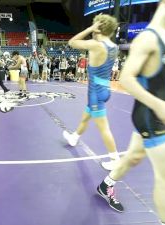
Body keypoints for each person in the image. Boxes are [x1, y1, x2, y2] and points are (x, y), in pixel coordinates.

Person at [96, 1, 165, 225]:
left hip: (158, 113)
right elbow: (126, 78)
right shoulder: (148, 39)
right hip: (149, 115)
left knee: (134, 157)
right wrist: (161, 106)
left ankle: (105, 185)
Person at [63, 14, 121, 171]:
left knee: (104, 128)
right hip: (105, 89)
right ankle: (74, 137)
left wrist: (89, 29)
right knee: (85, 118)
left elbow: (72, 42)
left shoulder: (97, 45)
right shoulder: (113, 47)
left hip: (95, 92)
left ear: (98, 27)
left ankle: (115, 158)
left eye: (94, 25)